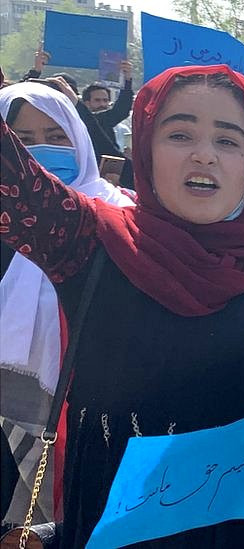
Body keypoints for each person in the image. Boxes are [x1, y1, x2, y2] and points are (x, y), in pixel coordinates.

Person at [0, 64, 244, 547]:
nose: (204, 155)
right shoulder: (89, 240)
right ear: (143, 151)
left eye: (229, 141)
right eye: (179, 134)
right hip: (119, 527)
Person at [0, 81, 135, 524]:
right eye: (24, 139)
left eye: (57, 137)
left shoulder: (119, 221)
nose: (41, 150)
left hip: (87, 416)